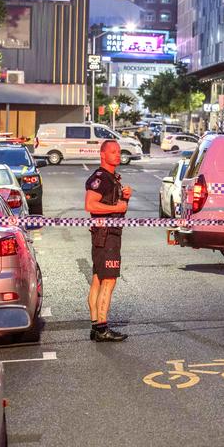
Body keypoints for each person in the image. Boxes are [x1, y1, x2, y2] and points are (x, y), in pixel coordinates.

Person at [85, 140, 132, 342]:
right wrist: (118, 208)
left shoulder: (112, 178)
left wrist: (125, 199)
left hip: (105, 233)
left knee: (98, 279)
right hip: (107, 235)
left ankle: (96, 326)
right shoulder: (100, 178)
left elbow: (115, 205)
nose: (117, 155)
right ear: (102, 154)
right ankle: (103, 328)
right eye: (113, 151)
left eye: (119, 151)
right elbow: (91, 205)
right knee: (109, 280)